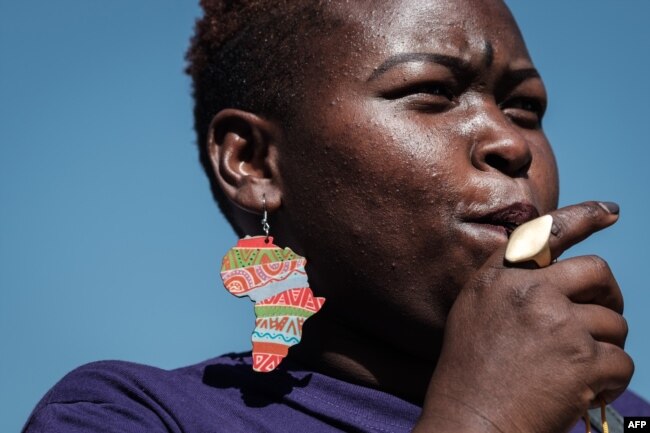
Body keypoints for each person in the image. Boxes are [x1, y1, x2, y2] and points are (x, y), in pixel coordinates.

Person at [21, 0, 650, 432]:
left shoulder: (626, 415)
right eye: (430, 92)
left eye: (525, 108)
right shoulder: (136, 415)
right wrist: (490, 418)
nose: (510, 144)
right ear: (255, 162)